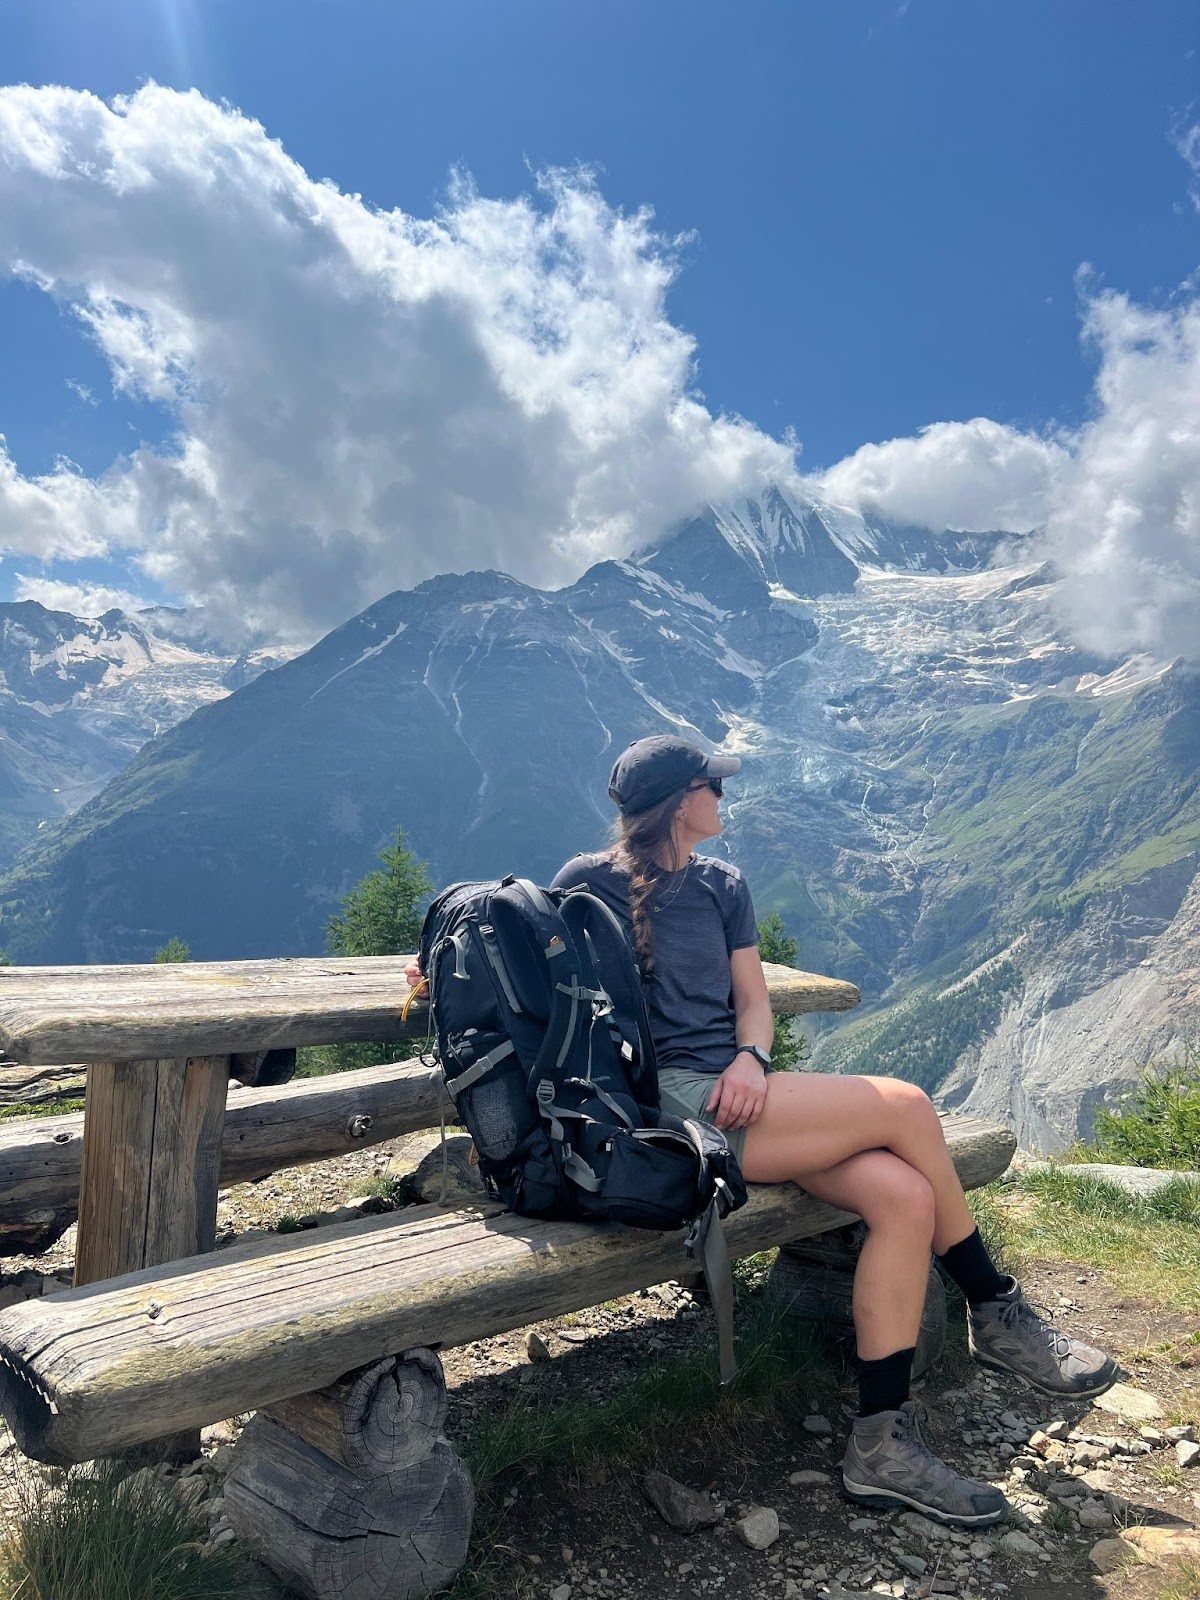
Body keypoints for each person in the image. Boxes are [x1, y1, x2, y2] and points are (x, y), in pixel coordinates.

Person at [406, 734, 1118, 1528]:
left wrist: (751, 1057)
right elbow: (514, 943)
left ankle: (879, 1446)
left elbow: (754, 1001)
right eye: (714, 783)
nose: (724, 794)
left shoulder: (722, 884)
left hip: (745, 1096)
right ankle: (996, 1308)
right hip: (673, 1110)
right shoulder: (586, 880)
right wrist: (433, 967)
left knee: (904, 1196)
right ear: (682, 799)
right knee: (908, 1106)